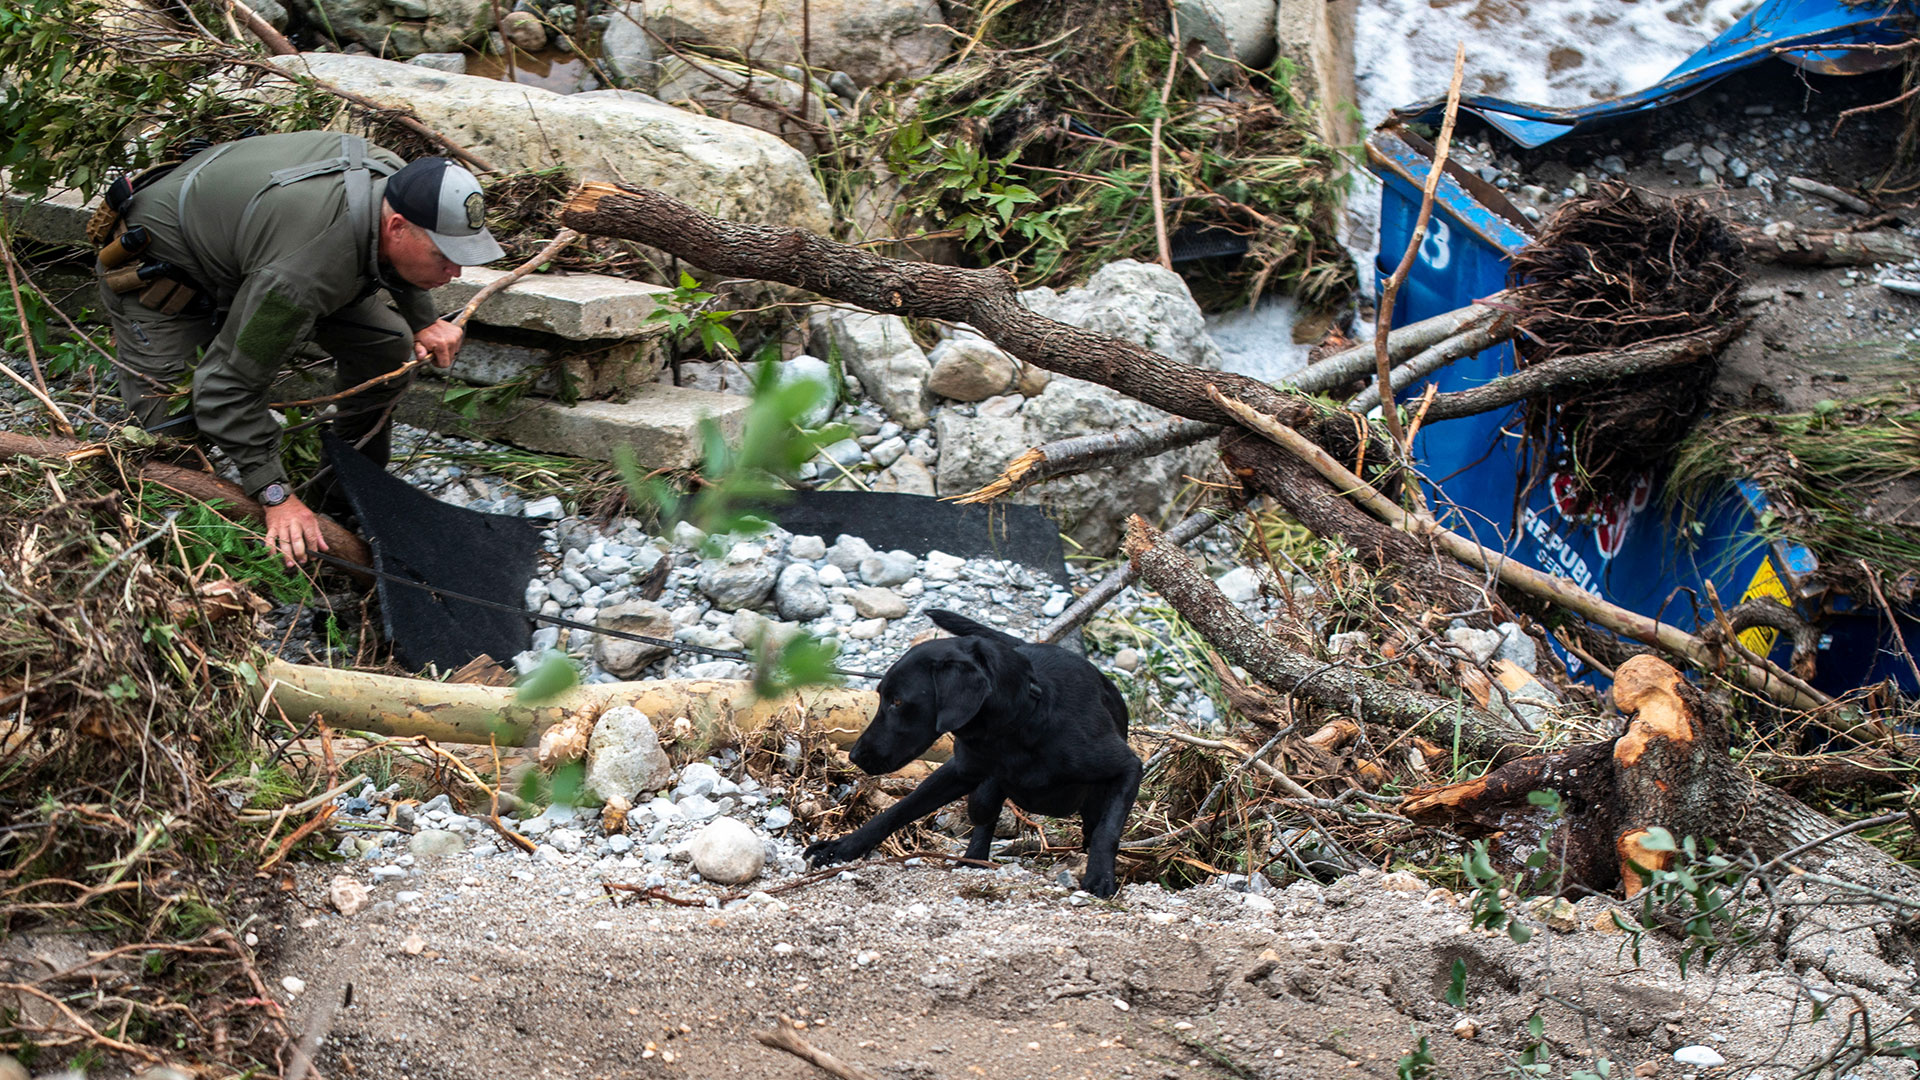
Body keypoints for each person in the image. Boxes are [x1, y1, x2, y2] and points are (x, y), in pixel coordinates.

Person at [94, 130, 504, 568]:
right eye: (444, 256)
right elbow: (224, 389)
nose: (457, 272)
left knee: (385, 345)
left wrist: (423, 320)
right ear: (397, 227)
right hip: (162, 269)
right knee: (171, 443)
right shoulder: (301, 276)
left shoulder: (397, 182)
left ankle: (342, 495)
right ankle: (166, 556)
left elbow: (385, 257)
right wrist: (274, 494)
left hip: (262, 246)